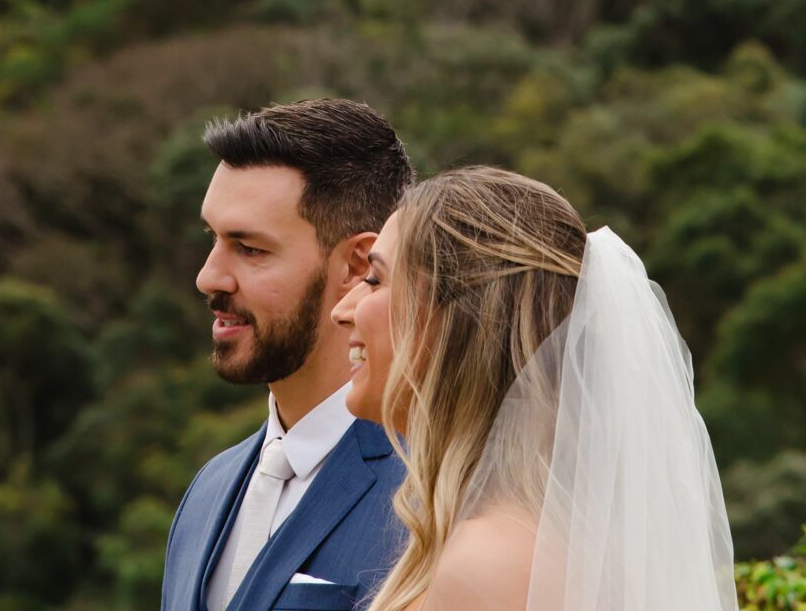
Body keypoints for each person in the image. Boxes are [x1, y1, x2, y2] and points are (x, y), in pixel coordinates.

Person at [332, 165, 737, 611]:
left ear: (460, 322)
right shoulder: (534, 537)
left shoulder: (492, 564)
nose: (343, 310)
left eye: (374, 279)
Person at [161, 98, 414, 611]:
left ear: (356, 263)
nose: (209, 277)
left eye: (249, 248)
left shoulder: (434, 494)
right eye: (212, 238)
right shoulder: (206, 493)